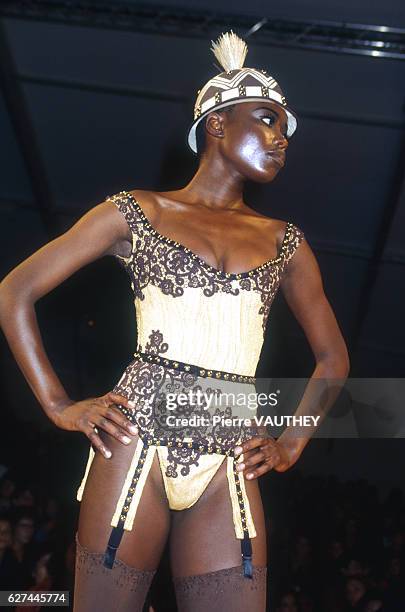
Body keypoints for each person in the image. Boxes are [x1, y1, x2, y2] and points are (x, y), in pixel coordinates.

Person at [0, 31, 349, 612]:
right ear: (216, 123)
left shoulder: (286, 243)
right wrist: (59, 404)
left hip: (231, 451)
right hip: (138, 440)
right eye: (266, 119)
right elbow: (15, 291)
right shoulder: (136, 211)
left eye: (284, 130)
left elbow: (334, 358)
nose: (279, 139)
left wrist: (291, 443)